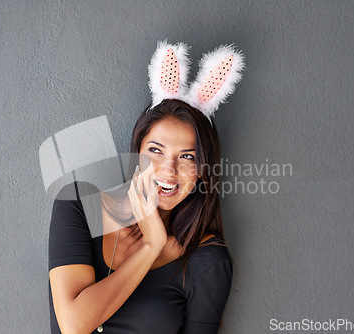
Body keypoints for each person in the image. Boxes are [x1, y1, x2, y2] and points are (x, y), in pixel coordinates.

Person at [48, 41, 244, 334]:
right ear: (136, 152)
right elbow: (74, 325)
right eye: (156, 150)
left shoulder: (207, 261)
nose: (169, 170)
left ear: (203, 170)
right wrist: (151, 245)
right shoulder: (79, 204)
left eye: (188, 156)